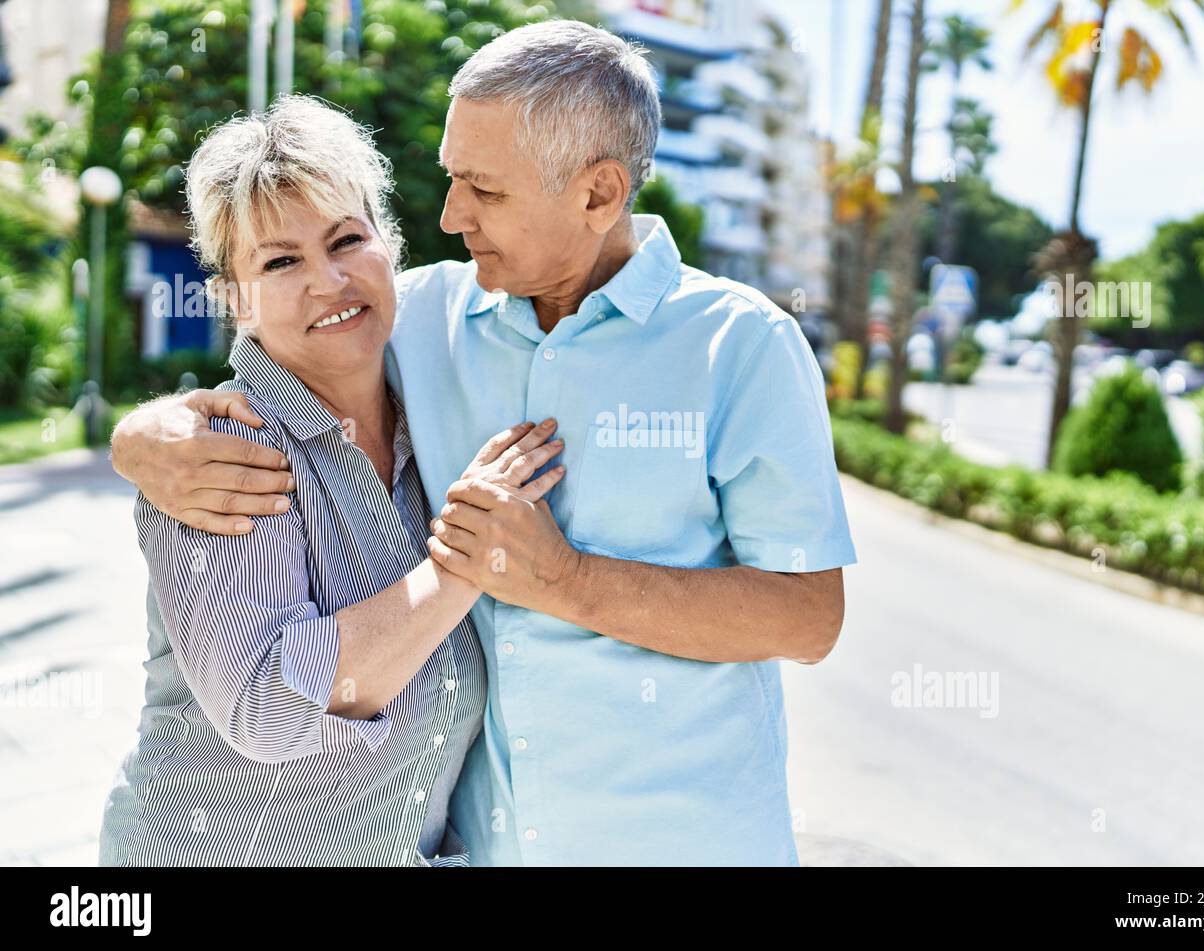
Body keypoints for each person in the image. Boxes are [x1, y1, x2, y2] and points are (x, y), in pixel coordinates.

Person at [112, 20, 856, 866]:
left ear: (598, 195)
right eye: (450, 178)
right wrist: (143, 435)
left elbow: (809, 617)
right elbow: (287, 336)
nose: (450, 213)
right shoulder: (413, 317)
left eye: (484, 189)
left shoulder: (741, 345)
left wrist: (564, 580)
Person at [99, 98, 563, 866]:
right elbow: (268, 706)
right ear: (231, 296)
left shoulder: (439, 407)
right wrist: (465, 560)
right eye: (279, 262)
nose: (328, 280)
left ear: (391, 244)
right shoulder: (223, 456)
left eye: (348, 239)